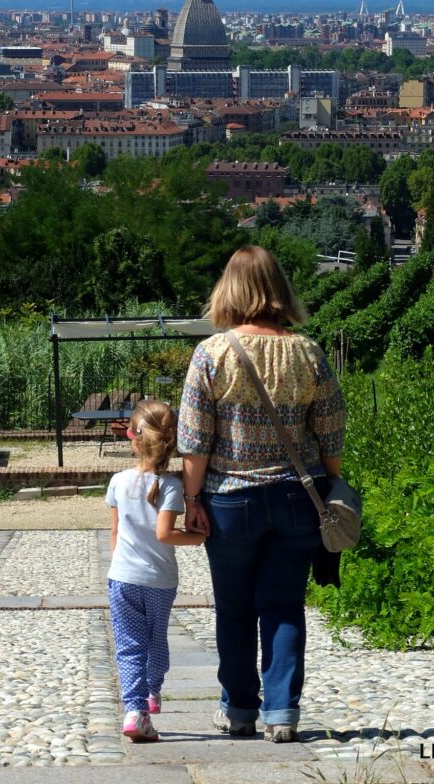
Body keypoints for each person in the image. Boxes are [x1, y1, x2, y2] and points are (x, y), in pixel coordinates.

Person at [177, 245, 346, 743]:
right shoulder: (309, 352)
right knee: (283, 606)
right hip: (297, 498)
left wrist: (191, 501)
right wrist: (329, 482)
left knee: (233, 609)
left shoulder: (212, 353)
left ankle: (238, 710)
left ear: (228, 289)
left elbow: (194, 440)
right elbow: (332, 431)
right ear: (279, 288)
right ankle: (282, 714)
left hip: (231, 500)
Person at [106, 398, 206, 743]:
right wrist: (197, 539)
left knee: (129, 645)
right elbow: (165, 533)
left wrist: (119, 565)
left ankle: (135, 712)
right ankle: (151, 693)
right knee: (155, 639)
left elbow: (115, 534)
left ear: (133, 437)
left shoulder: (118, 481)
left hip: (122, 578)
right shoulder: (172, 486)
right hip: (160, 581)